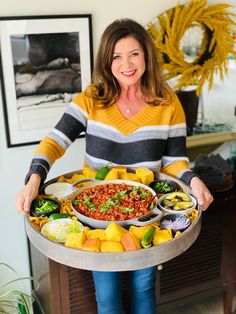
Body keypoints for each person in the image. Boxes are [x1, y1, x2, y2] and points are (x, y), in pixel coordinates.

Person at [16, 18, 213, 314]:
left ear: (146, 54)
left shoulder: (168, 102)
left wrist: (194, 181)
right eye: (117, 56)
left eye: (134, 53)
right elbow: (54, 142)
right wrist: (33, 180)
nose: (127, 64)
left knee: (144, 287)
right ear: (107, 62)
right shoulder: (91, 99)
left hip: (146, 215)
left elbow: (174, 162)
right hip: (96, 217)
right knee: (107, 297)